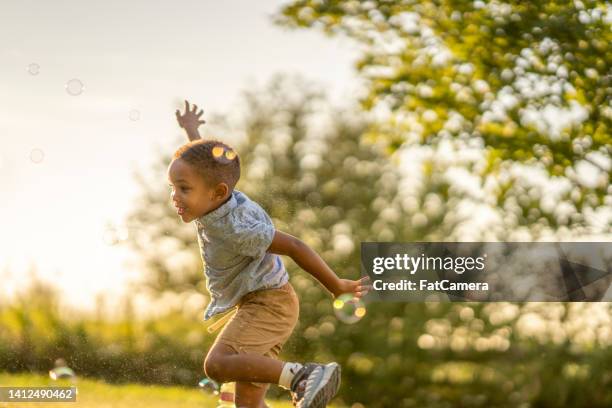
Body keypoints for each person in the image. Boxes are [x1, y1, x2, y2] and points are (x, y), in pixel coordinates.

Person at [167, 101, 370, 408]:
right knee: (247, 404)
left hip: (268, 304)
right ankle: (298, 377)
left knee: (217, 365)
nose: (175, 196)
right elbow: (206, 170)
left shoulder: (234, 228)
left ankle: (303, 376)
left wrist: (336, 286)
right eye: (174, 186)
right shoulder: (219, 196)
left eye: (183, 189)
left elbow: (295, 246)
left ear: (218, 193)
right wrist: (192, 131)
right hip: (264, 302)